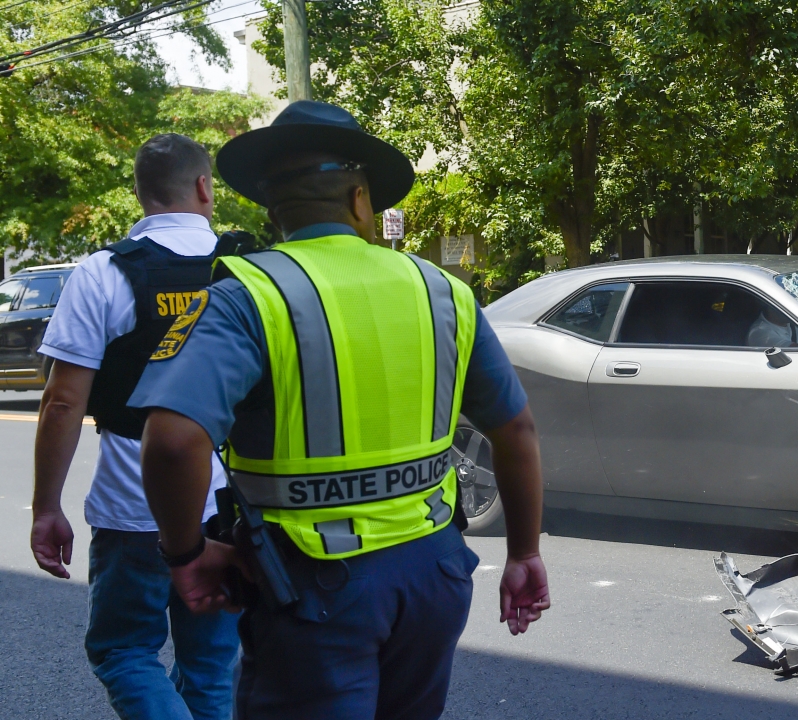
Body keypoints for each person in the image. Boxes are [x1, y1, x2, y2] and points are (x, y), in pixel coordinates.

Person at [127, 101, 549, 719]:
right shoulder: (443, 291)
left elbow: (170, 443)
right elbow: (515, 428)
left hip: (311, 585)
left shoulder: (246, 295)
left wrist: (186, 555)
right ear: (359, 201)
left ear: (274, 209)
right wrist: (523, 553)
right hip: (432, 571)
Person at [29, 134, 240, 720]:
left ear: (141, 194)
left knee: (123, 650)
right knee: (211, 664)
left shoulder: (103, 273)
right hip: (230, 501)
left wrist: (47, 506)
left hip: (134, 503)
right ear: (205, 187)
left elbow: (62, 402)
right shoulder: (248, 269)